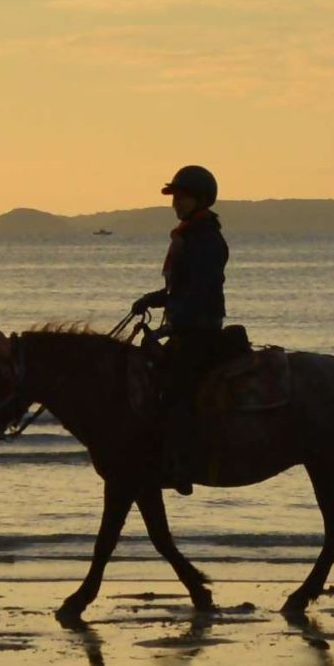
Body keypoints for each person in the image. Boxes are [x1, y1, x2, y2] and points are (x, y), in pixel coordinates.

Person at [124, 163, 230, 491]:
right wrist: (151, 300)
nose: (176, 203)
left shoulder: (206, 240)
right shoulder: (190, 235)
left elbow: (199, 291)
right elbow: (180, 289)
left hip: (200, 331)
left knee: (174, 390)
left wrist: (169, 324)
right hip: (188, 327)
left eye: (182, 197)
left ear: (201, 200)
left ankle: (182, 464)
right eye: (174, 197)